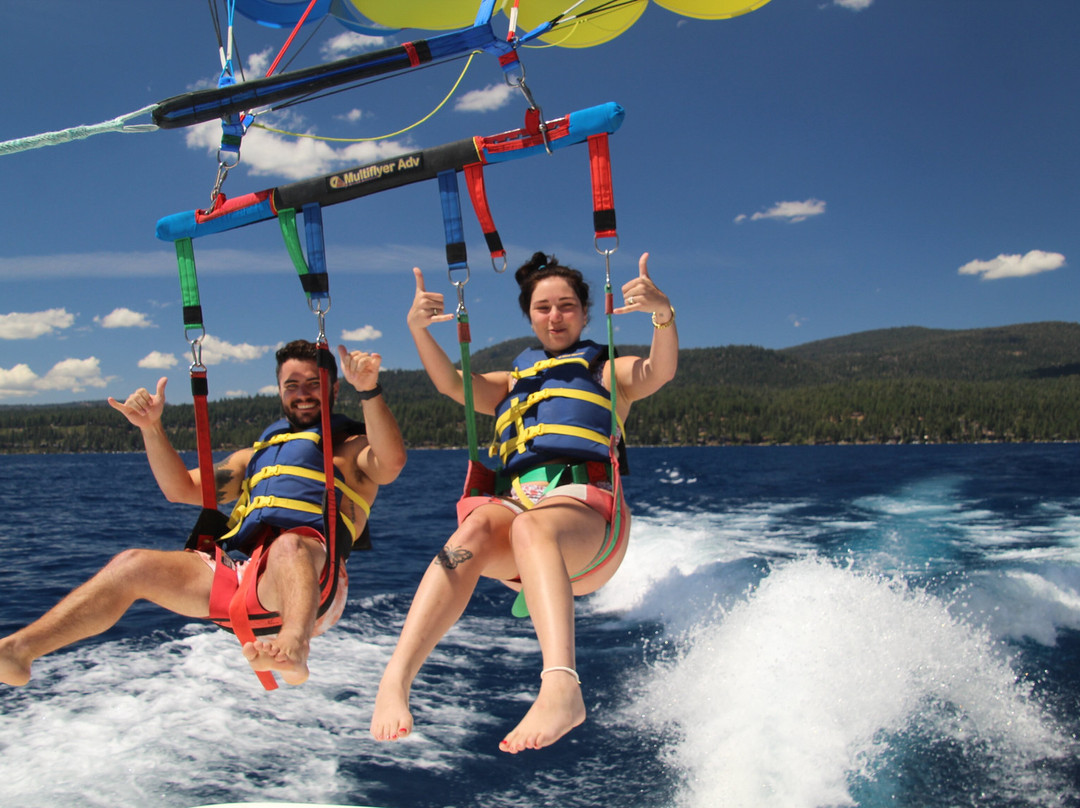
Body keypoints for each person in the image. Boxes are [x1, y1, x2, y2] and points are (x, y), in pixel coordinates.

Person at [370, 250, 677, 753]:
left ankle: (561, 687)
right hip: (522, 517)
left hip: (590, 523)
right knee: (467, 537)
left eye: (567, 306)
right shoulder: (513, 382)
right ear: (529, 315)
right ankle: (397, 679)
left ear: (584, 311)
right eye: (543, 308)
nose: (555, 316)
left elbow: (659, 372)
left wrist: (662, 315)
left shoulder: (609, 371)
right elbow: (452, 384)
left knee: (531, 528)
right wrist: (419, 329)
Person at [0, 340, 406, 688]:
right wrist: (150, 428)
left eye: (313, 384)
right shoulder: (255, 457)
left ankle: (293, 649)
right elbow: (180, 490)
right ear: (279, 390)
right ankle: (18, 651)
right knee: (131, 565)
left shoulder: (351, 449)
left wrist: (369, 390)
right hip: (240, 578)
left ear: (333, 389)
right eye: (292, 385)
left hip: (314, 585)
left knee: (289, 546)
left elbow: (391, 462)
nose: (302, 393)